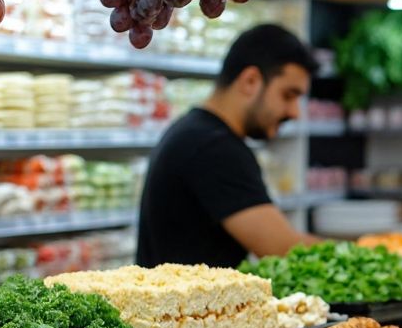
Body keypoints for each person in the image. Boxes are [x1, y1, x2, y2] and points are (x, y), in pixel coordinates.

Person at [136, 23, 320, 268]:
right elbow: (281, 249)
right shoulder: (214, 146)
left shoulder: (194, 131)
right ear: (250, 81)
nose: (295, 112)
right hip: (187, 306)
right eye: (288, 95)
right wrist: (373, 252)